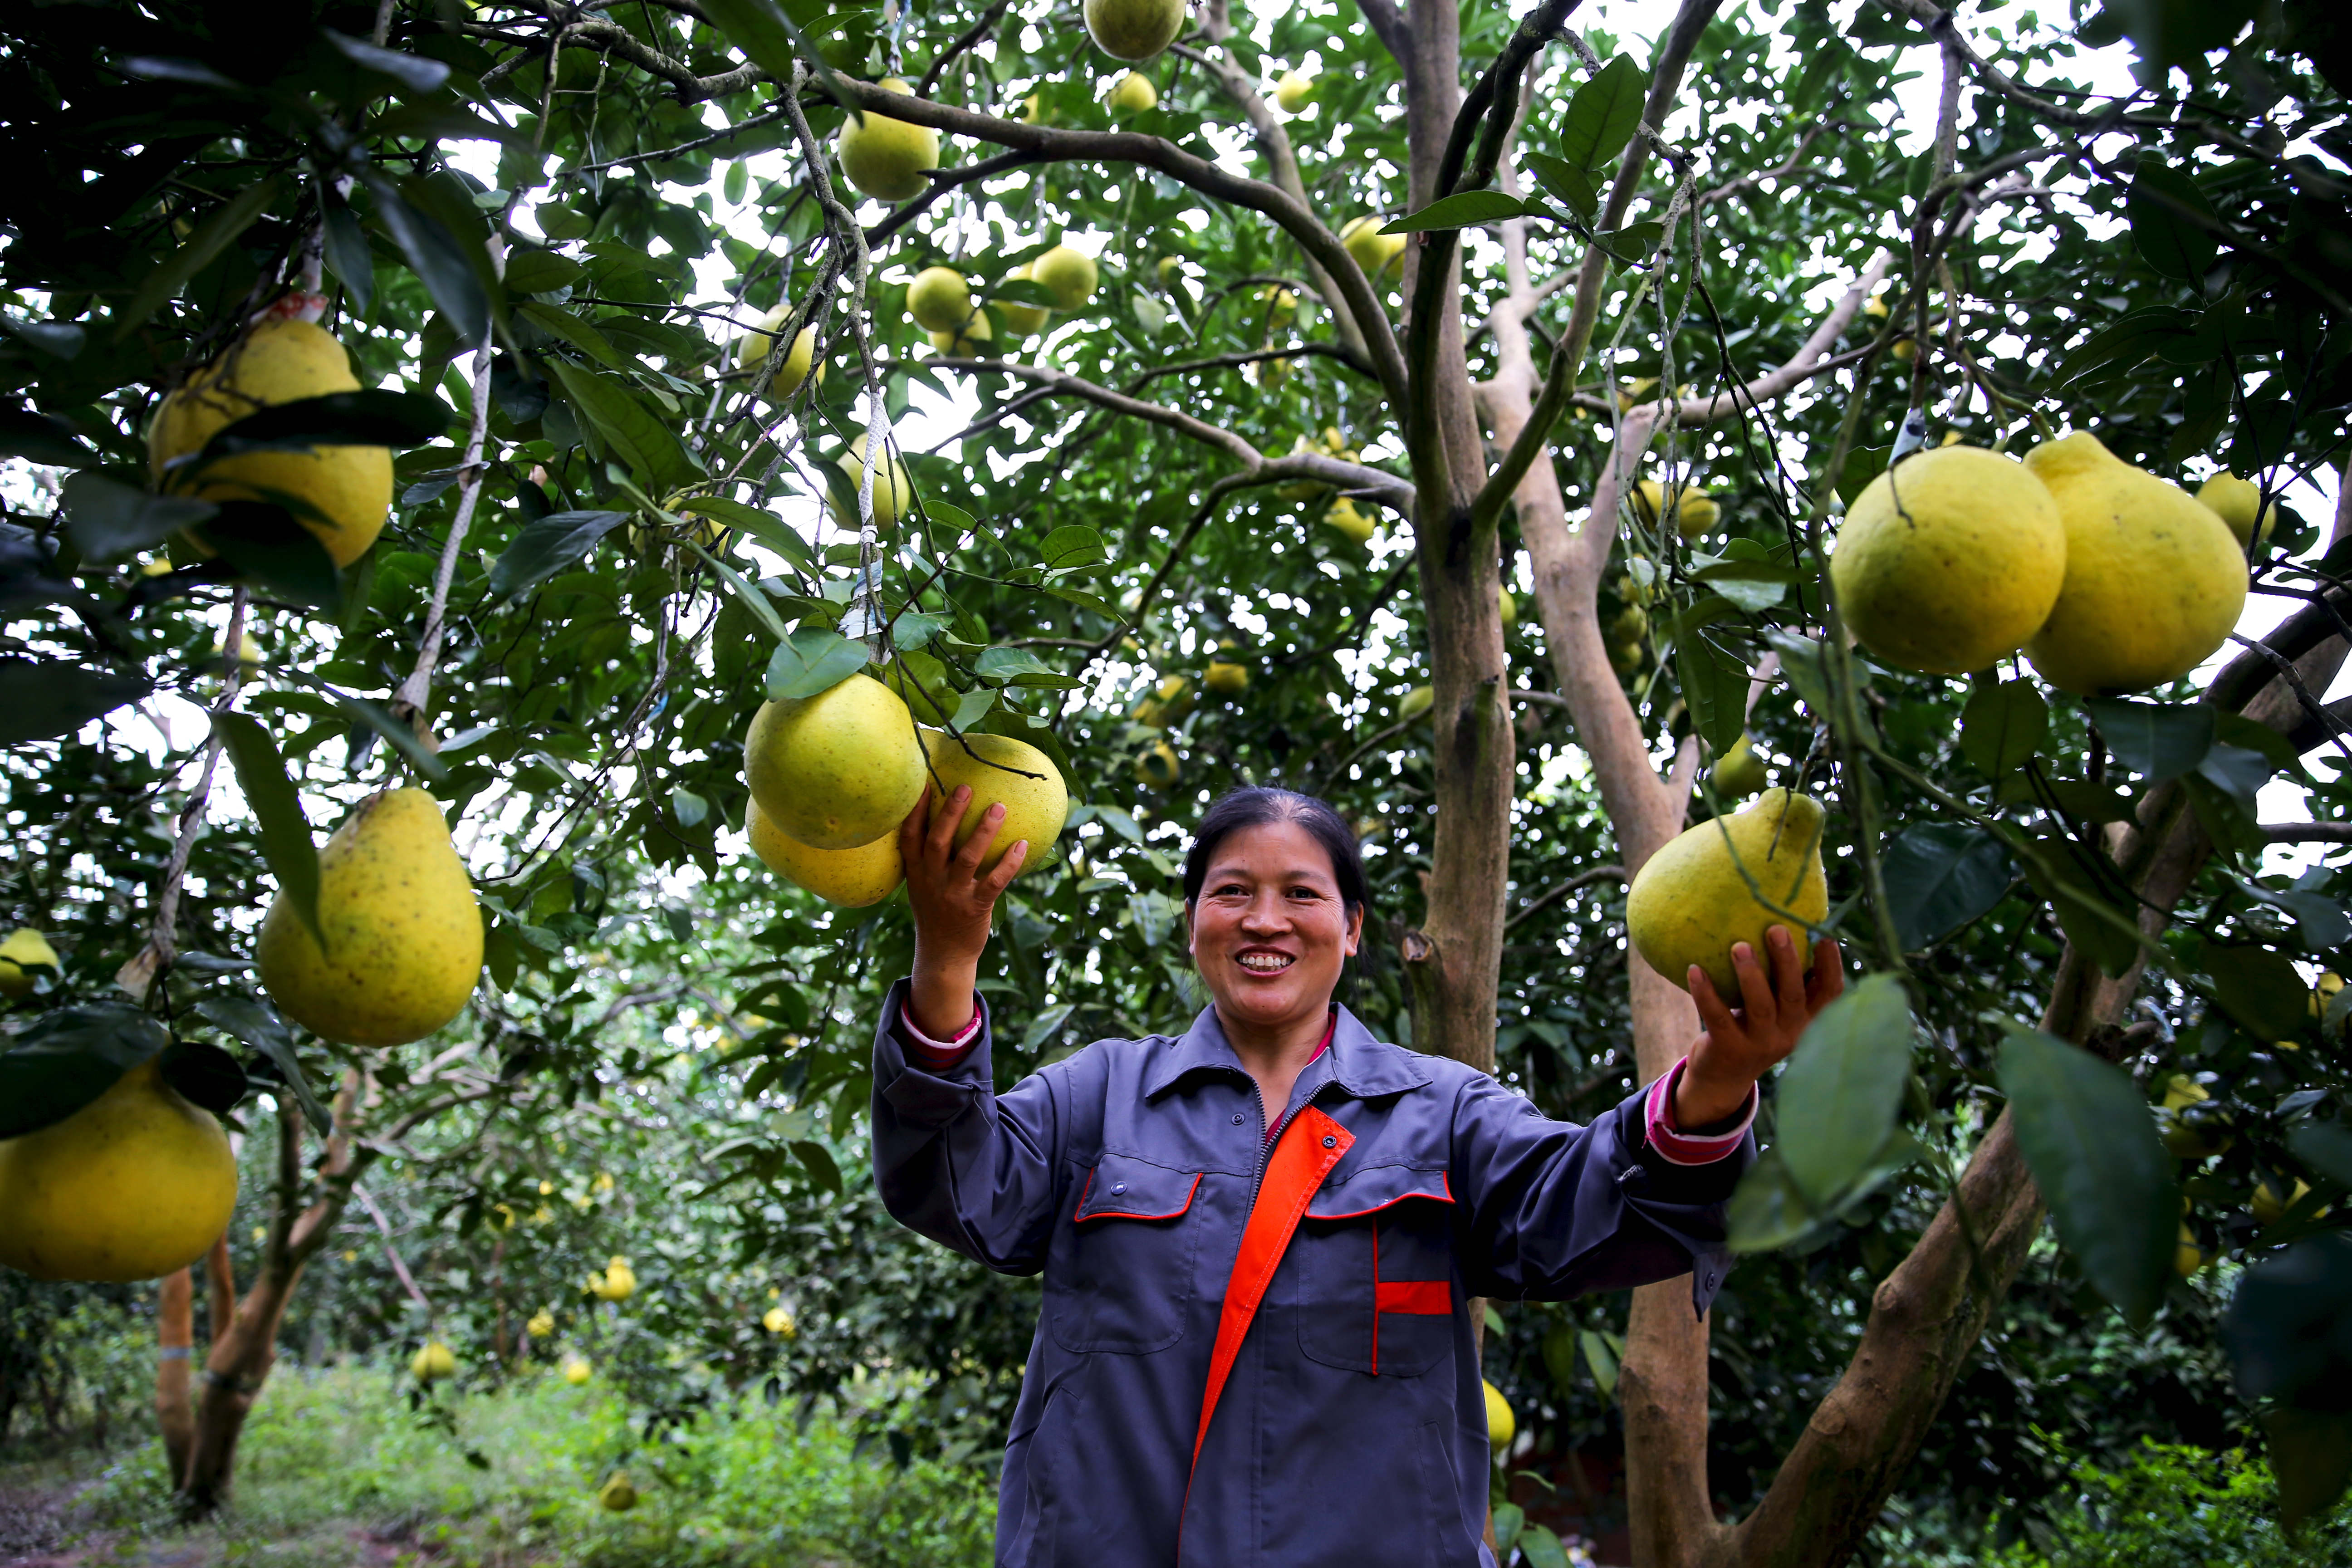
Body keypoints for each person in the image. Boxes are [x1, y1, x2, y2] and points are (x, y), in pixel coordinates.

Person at [872, 784, 1842, 1568]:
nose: (1266, 921)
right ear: (1193, 919)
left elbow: (1584, 1202)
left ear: (1355, 927)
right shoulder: (1101, 1096)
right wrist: (947, 961)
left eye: (1302, 893)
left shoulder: (1445, 1114)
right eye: (1231, 891)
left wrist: (1717, 1080)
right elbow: (955, 1183)